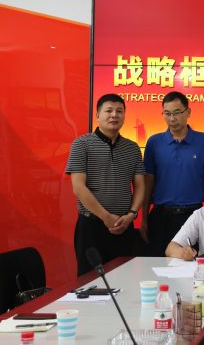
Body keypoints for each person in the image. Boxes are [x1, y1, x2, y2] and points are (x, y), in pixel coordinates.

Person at [65, 93, 145, 276]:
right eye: (109, 111)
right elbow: (78, 187)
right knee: (90, 282)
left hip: (124, 226)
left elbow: (140, 185)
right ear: (97, 115)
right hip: (91, 227)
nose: (114, 115)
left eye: (119, 111)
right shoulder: (81, 144)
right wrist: (105, 216)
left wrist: (132, 215)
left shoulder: (132, 148)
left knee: (124, 279)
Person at [140, 91, 204, 256]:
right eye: (167, 114)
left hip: (192, 216)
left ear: (188, 112)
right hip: (161, 217)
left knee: (191, 264)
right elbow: (148, 183)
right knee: (157, 264)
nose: (172, 119)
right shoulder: (154, 143)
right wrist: (144, 219)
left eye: (177, 113)